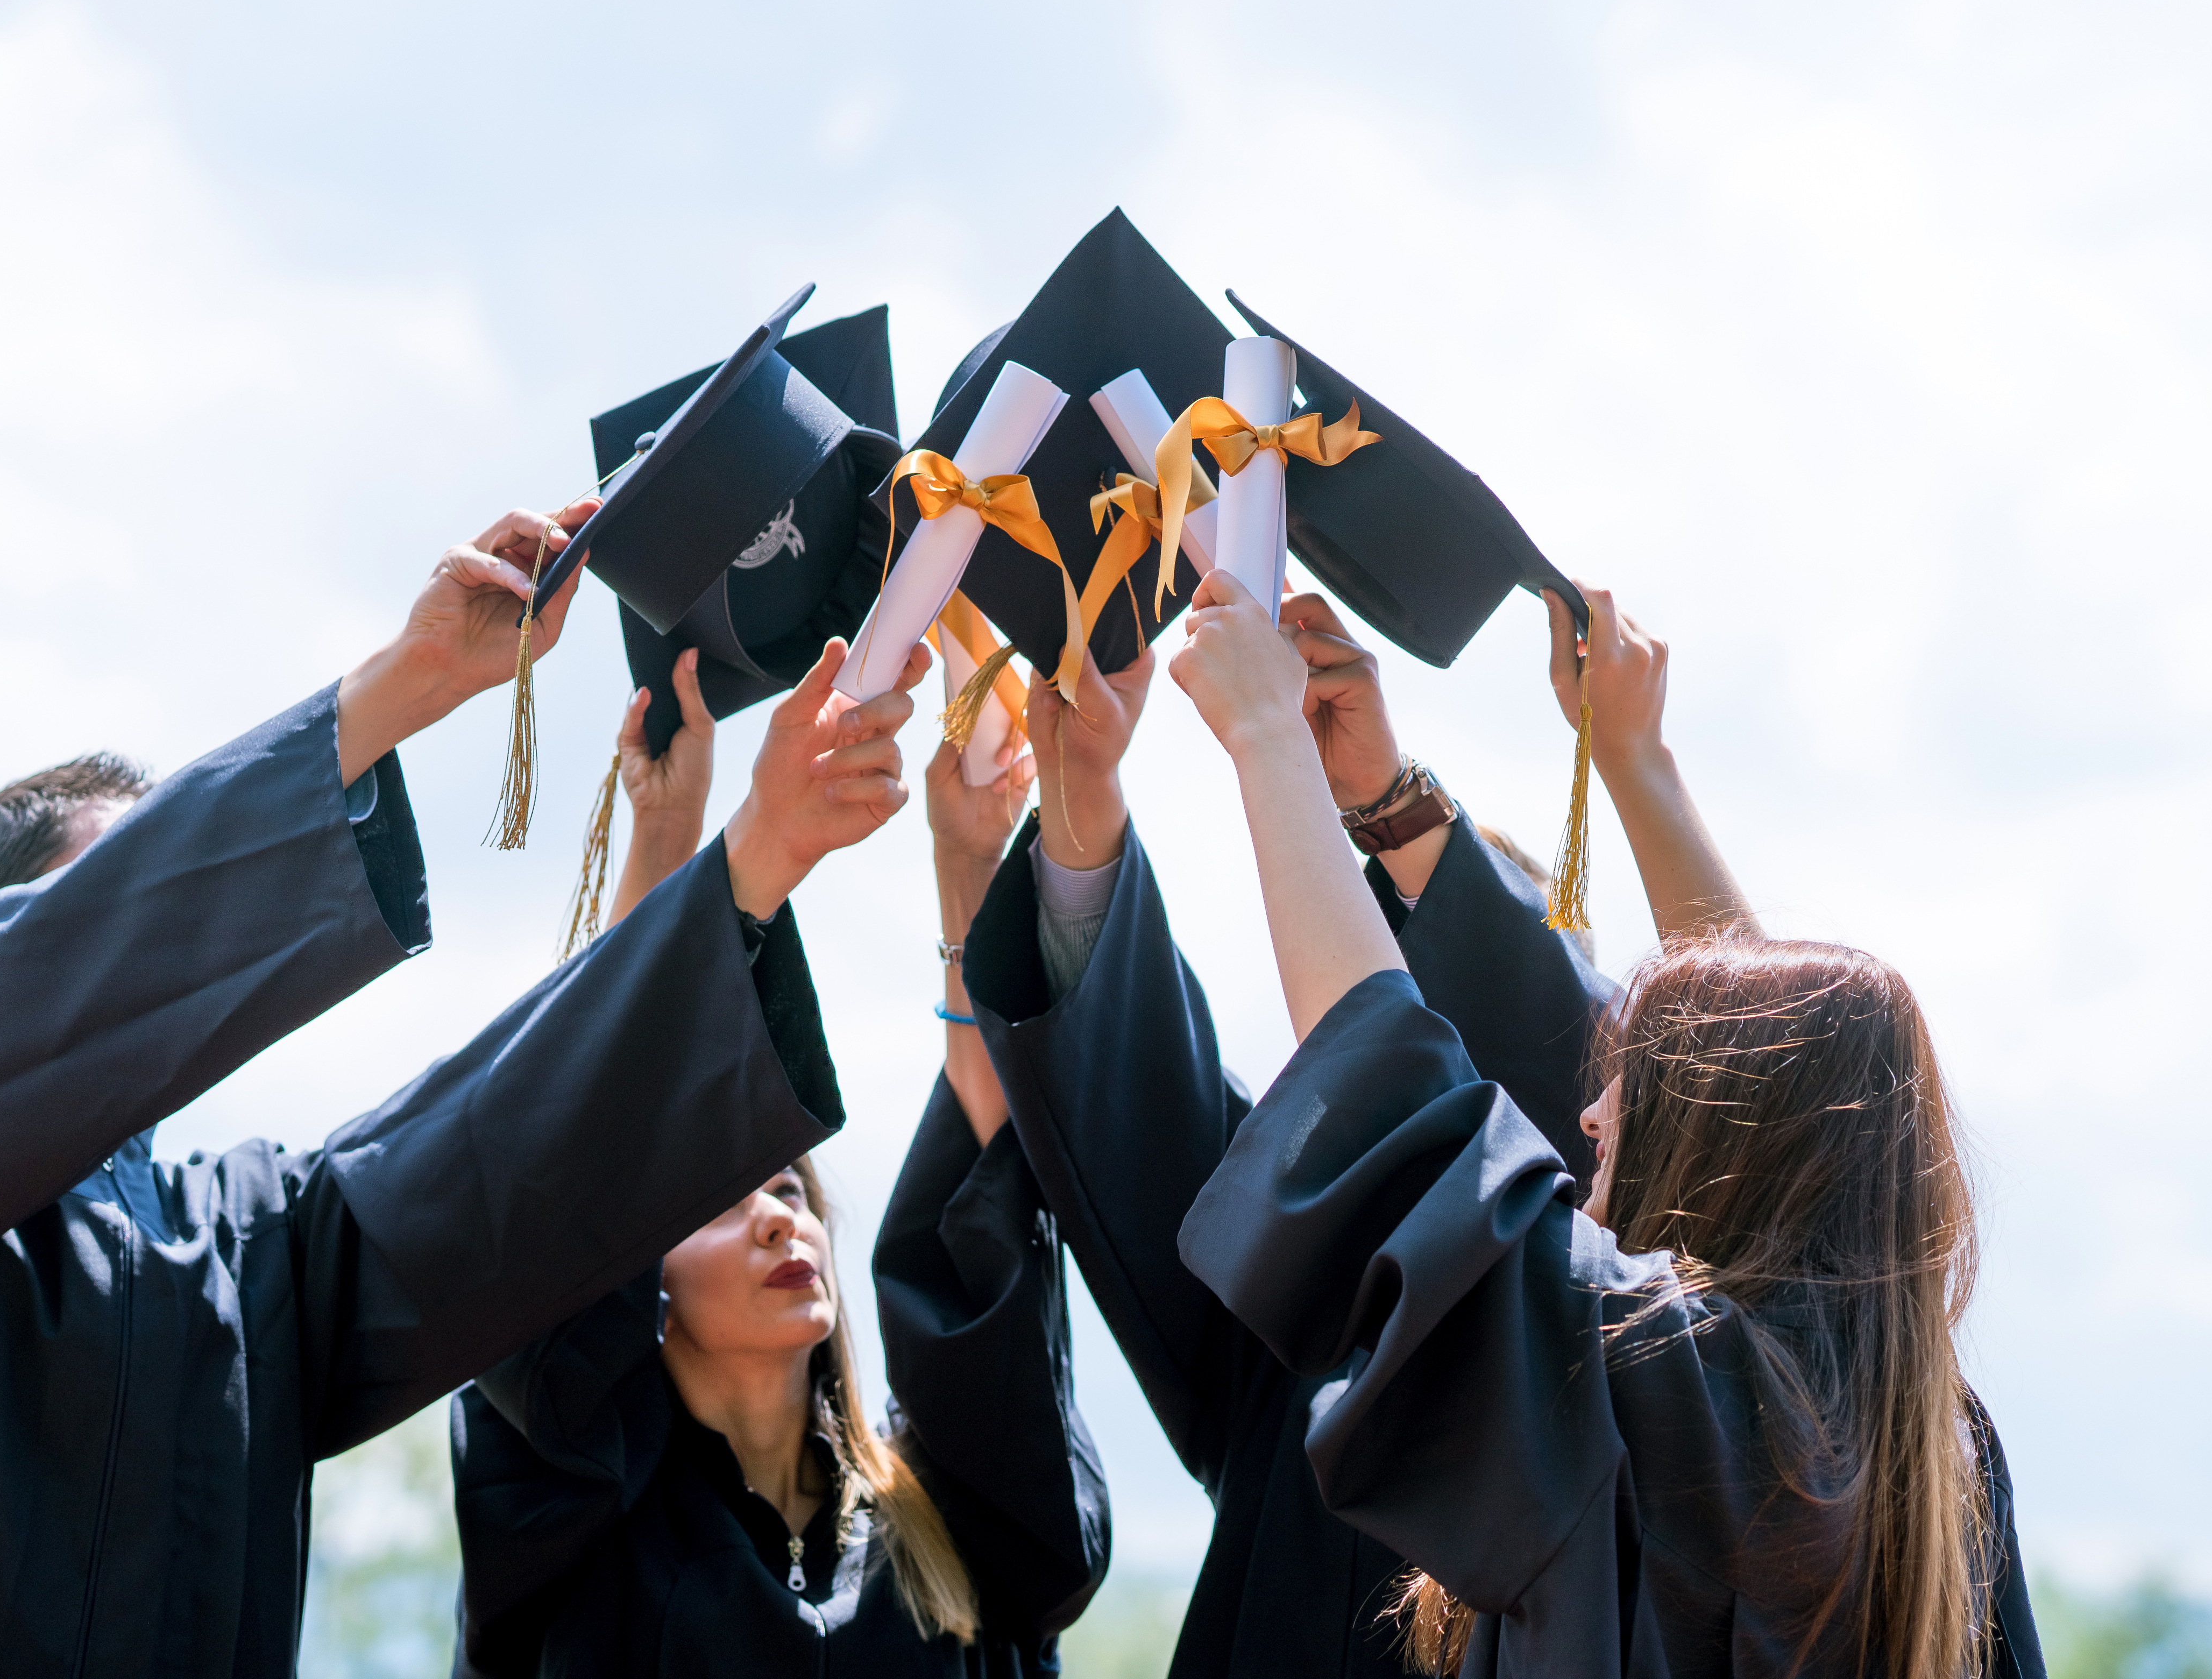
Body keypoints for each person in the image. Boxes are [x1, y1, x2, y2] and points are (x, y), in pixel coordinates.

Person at [0, 508, 930, 1679]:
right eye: (130, 895)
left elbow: (502, 1144)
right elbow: (36, 996)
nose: (179, 951)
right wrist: (394, 692)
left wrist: (758, 853)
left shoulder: (247, 1252)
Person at [1164, 571, 2046, 1678]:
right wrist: (1629, 764)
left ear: (1722, 1132)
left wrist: (1268, 745)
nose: (1588, 1109)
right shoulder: (1931, 1454)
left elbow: (1396, 1107)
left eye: (1630, 1070)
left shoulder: (1658, 1383)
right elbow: (1784, 1058)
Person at [933, 584, 1679, 1678]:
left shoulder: (1649, 1327)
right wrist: (1079, 794)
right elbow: (1138, 1098)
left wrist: (1394, 812)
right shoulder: (1307, 1282)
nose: (1384, 1011)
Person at [444, 653, 1109, 1676]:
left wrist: (967, 862)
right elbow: (584, 1151)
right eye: (718, 1201)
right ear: (635, 1272)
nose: (777, 1217)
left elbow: (987, 1195)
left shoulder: (939, 1518)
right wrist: (666, 836)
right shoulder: (577, 1519)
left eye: (793, 1190)